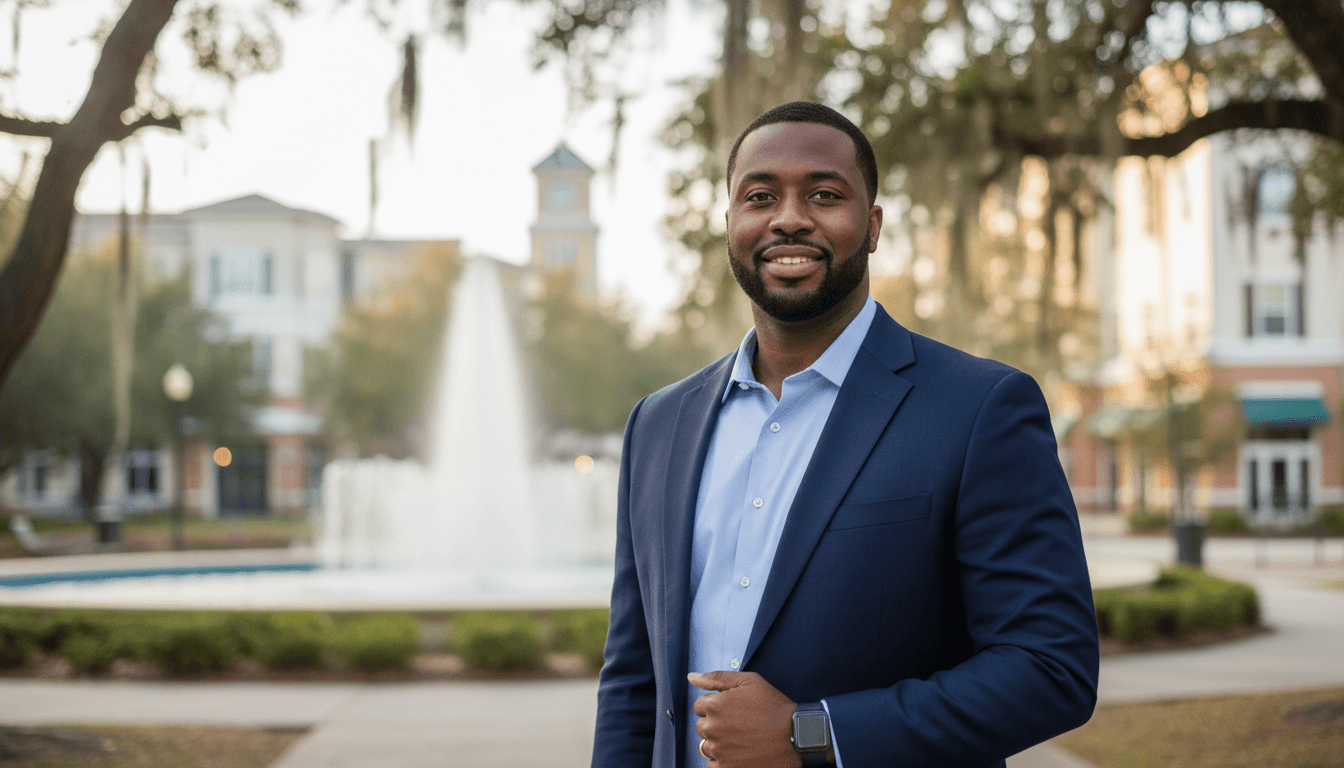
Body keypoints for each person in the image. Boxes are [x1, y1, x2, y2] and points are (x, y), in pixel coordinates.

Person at [591, 101, 1099, 768]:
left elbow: (1050, 668)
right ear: (730, 224)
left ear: (873, 225)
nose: (789, 218)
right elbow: (633, 683)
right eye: (759, 196)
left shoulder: (979, 409)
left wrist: (814, 733)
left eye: (825, 195)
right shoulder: (658, 425)